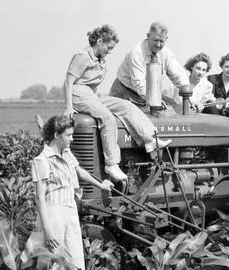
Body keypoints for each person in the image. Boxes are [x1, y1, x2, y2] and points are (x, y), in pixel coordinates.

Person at [31, 114, 114, 270]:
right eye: (68, 135)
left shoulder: (66, 153)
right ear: (57, 135)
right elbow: (40, 199)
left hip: (70, 211)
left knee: (76, 264)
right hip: (53, 213)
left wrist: (100, 184)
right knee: (51, 267)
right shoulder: (41, 161)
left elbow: (79, 171)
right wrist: (49, 230)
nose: (72, 139)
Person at [64, 24, 171, 182]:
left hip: (91, 95)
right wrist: (69, 106)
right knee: (107, 117)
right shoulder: (82, 56)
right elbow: (68, 82)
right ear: (99, 41)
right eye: (109, 47)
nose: (110, 51)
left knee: (126, 105)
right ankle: (112, 163)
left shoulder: (100, 60)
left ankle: (151, 140)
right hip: (78, 93)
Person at [109, 21, 188, 106]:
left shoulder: (166, 54)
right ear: (148, 36)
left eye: (161, 41)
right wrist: (154, 101)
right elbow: (139, 84)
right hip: (124, 92)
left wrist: (187, 97)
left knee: (175, 105)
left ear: (166, 39)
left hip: (148, 94)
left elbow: (179, 76)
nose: (158, 45)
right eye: (155, 40)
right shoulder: (137, 52)